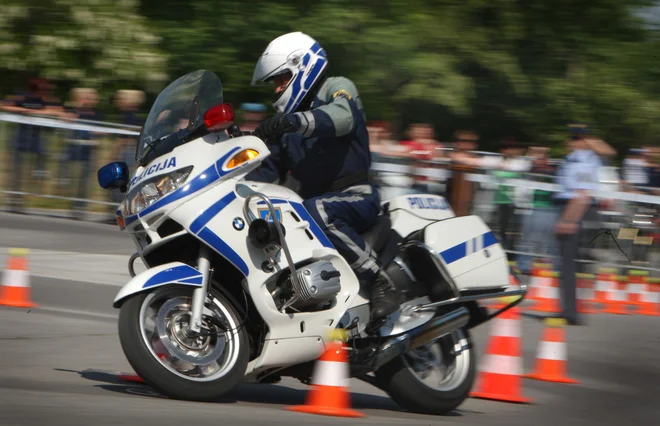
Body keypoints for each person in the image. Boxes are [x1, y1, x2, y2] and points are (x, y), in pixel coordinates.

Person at [246, 31, 399, 326]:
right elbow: (263, 173)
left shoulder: (337, 88)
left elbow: (342, 118)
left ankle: (380, 281)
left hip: (355, 196)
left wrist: (294, 121)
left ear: (301, 66)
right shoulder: (286, 127)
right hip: (313, 206)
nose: (277, 90)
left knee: (316, 210)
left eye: (281, 80)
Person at [552, 124, 615, 325]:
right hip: (572, 209)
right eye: (572, 137)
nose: (572, 141)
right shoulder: (574, 158)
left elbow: (582, 194)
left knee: (569, 265)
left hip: (575, 210)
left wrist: (568, 220)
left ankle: (571, 312)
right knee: (570, 264)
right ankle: (570, 310)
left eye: (577, 138)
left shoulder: (585, 161)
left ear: (585, 141)